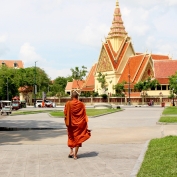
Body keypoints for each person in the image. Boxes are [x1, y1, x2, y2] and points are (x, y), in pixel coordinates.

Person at [64, 91, 91, 160]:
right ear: (77, 97)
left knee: (71, 137)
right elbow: (84, 114)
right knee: (78, 138)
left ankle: (71, 151)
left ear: (71, 97)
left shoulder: (68, 103)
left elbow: (65, 112)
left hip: (71, 124)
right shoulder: (81, 104)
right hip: (79, 124)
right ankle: (75, 155)